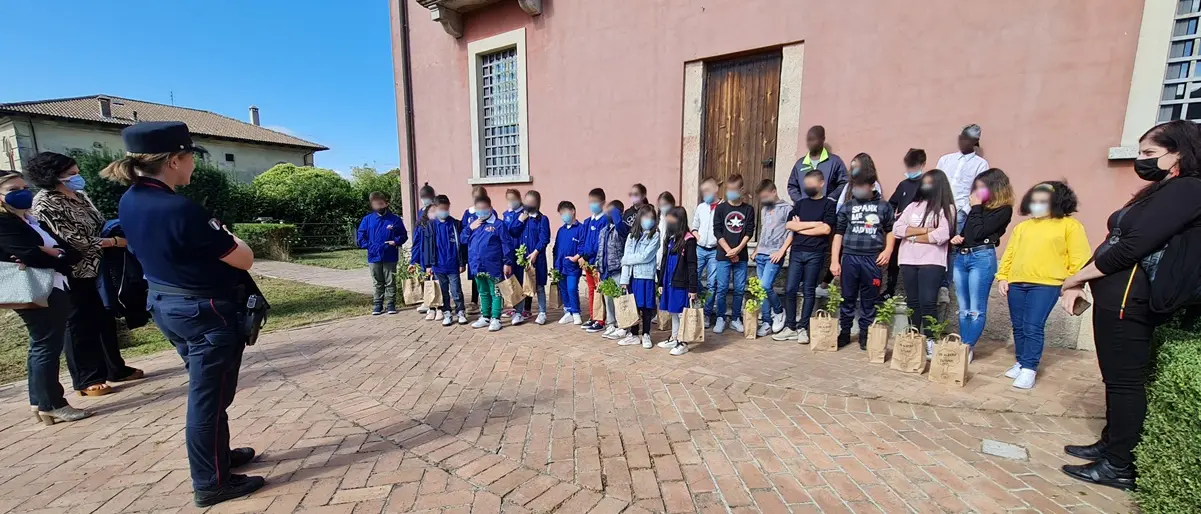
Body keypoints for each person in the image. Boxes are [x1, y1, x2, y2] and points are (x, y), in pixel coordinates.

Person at [103, 122, 263, 506]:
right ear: (174, 160)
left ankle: (218, 460)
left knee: (212, 391)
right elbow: (243, 258)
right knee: (208, 398)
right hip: (205, 311)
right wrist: (233, 236)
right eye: (191, 157)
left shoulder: (131, 200)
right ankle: (211, 482)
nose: (193, 164)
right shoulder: (180, 208)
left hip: (169, 304)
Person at [1058, 120, 1201, 489]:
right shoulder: (1162, 189)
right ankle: (1110, 445)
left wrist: (1076, 279)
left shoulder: (1188, 189)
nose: (1141, 161)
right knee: (1114, 377)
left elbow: (1134, 245)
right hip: (1113, 294)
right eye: (1139, 152)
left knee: (1125, 381)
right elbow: (1114, 238)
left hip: (1131, 298)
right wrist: (1082, 277)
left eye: (1150, 153)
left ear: (1179, 154)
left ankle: (1120, 465)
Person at [27, 152, 144, 397]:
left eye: (77, 172)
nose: (77, 177)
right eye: (71, 174)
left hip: (99, 267)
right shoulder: (45, 202)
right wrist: (112, 242)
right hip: (73, 269)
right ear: (52, 176)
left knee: (104, 317)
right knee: (79, 322)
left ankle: (115, 368)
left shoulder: (80, 196)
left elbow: (98, 222)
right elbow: (72, 239)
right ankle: (86, 378)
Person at [0, 170, 89, 424]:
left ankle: (38, 401)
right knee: (46, 345)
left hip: (53, 283)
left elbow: (71, 252)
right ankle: (52, 403)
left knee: (41, 344)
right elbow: (29, 255)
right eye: (13, 190)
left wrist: (53, 253)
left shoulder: (30, 221)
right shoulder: (4, 223)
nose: (22, 193)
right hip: (38, 288)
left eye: (23, 187)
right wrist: (50, 254)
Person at [995, 182, 1090, 389]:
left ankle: (1030, 368)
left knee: (1032, 326)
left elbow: (1079, 258)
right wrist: (1003, 276)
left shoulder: (1070, 226)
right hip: (1017, 282)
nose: (1036, 205)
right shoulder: (1022, 227)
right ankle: (1021, 362)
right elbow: (1009, 254)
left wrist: (1074, 284)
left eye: (1042, 201)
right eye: (1034, 201)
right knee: (1018, 327)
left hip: (1047, 284)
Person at [830, 155, 895, 350]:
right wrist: (835, 260)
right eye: (854, 186)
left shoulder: (884, 207)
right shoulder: (848, 207)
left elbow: (891, 230)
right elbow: (838, 234)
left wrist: (888, 250)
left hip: (872, 260)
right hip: (850, 257)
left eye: (861, 186)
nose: (857, 189)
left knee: (869, 299)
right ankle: (845, 331)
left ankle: (865, 334)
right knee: (847, 297)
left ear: (871, 186)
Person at [892, 169, 955, 357]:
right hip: (907, 260)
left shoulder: (947, 208)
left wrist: (912, 236)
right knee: (913, 302)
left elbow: (942, 235)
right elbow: (897, 229)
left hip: (932, 261)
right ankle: (915, 337)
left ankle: (930, 341)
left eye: (930, 182)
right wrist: (926, 230)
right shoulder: (913, 206)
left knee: (928, 302)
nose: (925, 185)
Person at [950, 169, 1014, 352]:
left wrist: (976, 207)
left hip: (981, 258)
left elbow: (979, 233)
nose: (977, 191)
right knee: (963, 308)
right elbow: (969, 233)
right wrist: (958, 238)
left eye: (981, 187)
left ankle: (965, 348)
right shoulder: (977, 210)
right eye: (975, 187)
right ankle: (964, 345)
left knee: (975, 308)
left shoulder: (1003, 210)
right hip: (963, 257)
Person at [774, 170, 836, 343]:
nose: (808, 187)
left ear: (821, 183)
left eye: (811, 184)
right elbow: (789, 225)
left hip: (816, 254)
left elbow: (826, 229)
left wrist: (801, 226)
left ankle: (802, 328)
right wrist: (814, 224)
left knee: (809, 290)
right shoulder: (800, 204)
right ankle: (790, 326)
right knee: (790, 289)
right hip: (797, 252)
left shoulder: (828, 205)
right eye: (806, 184)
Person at [936, 124, 990, 302]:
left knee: (953, 248)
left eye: (967, 139)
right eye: (961, 137)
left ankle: (945, 285)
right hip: (940, 208)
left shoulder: (981, 164)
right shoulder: (946, 160)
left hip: (961, 211)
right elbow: (937, 182)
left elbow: (981, 190)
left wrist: (965, 210)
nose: (963, 141)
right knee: (936, 243)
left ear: (975, 142)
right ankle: (934, 281)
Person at [712, 174, 756, 334]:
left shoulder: (748, 209)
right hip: (723, 255)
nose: (730, 192)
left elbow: (749, 231)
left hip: (741, 255)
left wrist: (737, 250)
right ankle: (721, 317)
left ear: (741, 190)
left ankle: (736, 318)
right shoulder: (721, 208)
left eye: (734, 190)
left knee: (739, 289)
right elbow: (717, 230)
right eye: (728, 190)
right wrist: (728, 250)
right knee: (722, 287)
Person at [461, 195, 511, 331]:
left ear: (490, 208)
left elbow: (506, 244)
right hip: (477, 265)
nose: (481, 213)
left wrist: (507, 262)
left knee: (495, 292)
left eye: (484, 209)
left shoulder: (498, 225)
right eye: (478, 210)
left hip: (493, 266)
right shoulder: (473, 224)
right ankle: (485, 316)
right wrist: (469, 228)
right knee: (482, 292)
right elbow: (463, 240)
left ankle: (496, 318)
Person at [357, 192, 408, 315]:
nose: (378, 207)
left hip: (389, 255)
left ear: (386, 203)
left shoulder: (394, 219)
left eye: (381, 204)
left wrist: (395, 242)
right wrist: (369, 246)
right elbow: (360, 236)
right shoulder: (367, 220)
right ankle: (378, 304)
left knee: (390, 280)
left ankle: (391, 304)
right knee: (377, 281)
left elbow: (403, 235)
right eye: (375, 205)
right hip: (374, 256)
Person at [618, 205, 662, 348]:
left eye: (651, 218)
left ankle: (646, 334)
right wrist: (624, 279)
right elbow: (627, 256)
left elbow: (646, 256)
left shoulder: (655, 235)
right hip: (632, 276)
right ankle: (634, 334)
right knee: (633, 306)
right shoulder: (632, 236)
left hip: (646, 276)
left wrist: (626, 259)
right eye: (645, 217)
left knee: (647, 307)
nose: (648, 220)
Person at [885, 148, 927, 298]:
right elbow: (891, 204)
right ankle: (890, 289)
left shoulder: (927, 184)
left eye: (913, 166)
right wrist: (894, 215)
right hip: (901, 229)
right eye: (908, 166)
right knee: (894, 260)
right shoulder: (903, 185)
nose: (910, 170)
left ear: (922, 165)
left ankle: (915, 293)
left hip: (918, 231)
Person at [657, 206, 699, 355]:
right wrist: (661, 282)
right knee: (673, 311)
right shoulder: (670, 238)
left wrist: (693, 288)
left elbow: (692, 265)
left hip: (682, 283)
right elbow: (664, 261)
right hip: (669, 281)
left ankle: (683, 342)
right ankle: (674, 338)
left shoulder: (689, 240)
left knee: (682, 313)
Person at [754, 180, 792, 336]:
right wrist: (757, 249)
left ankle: (779, 311)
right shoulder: (764, 210)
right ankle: (767, 322)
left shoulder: (787, 209)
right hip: (761, 254)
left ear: (774, 192)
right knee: (762, 291)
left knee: (765, 285)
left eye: (765, 196)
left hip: (774, 254)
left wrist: (782, 251)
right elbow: (764, 231)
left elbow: (791, 232)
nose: (763, 200)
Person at [509, 190, 551, 325]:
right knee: (521, 286)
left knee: (538, 286)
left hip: (536, 259)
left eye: (530, 203)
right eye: (526, 202)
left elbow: (544, 239)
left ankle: (542, 312)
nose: (527, 205)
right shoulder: (521, 217)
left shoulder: (542, 219)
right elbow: (512, 232)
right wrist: (520, 220)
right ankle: (519, 313)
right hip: (522, 259)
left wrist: (535, 252)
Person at [430, 195, 467, 326]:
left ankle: (461, 311)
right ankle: (447, 313)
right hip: (438, 266)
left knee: (456, 291)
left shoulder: (455, 224)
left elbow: (462, 246)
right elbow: (427, 246)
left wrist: (462, 263)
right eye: (441, 209)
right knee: (443, 292)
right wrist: (428, 264)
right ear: (435, 208)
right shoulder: (431, 226)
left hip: (453, 265)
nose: (444, 211)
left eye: (446, 208)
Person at [787, 125, 849, 202]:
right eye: (808, 140)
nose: (810, 143)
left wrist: (831, 198)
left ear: (823, 139)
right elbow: (792, 186)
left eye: (813, 140)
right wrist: (800, 202)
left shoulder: (834, 161)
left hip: (827, 209)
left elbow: (844, 182)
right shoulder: (800, 164)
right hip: (805, 210)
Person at [593, 200, 627, 336]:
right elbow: (600, 250)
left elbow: (619, 226)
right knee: (608, 299)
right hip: (605, 270)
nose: (608, 213)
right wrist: (598, 266)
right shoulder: (603, 230)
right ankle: (611, 323)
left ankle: (622, 324)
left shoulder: (622, 228)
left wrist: (616, 213)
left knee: (619, 299)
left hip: (617, 269)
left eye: (611, 211)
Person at [690, 177, 721, 326]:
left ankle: (707, 314)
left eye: (707, 190)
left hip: (715, 250)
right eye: (703, 191)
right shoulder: (701, 207)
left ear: (716, 189)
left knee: (712, 283)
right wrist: (698, 237)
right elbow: (694, 226)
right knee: (693, 277)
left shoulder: (723, 207)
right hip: (700, 248)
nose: (705, 194)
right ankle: (697, 304)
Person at [580, 188, 609, 331]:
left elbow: (599, 244)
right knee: (591, 290)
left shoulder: (604, 221)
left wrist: (588, 257)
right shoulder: (587, 221)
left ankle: (600, 319)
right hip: (587, 262)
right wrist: (582, 257)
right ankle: (592, 316)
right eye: (590, 202)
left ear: (602, 203)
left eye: (595, 202)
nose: (592, 205)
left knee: (599, 290)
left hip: (597, 262)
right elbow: (584, 241)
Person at [461, 185, 492, 314]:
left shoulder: (490, 212)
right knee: (476, 276)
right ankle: (474, 301)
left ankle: (490, 305)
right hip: (473, 251)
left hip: (487, 252)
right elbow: (463, 231)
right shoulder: (468, 213)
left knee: (489, 278)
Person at [554, 201, 586, 324]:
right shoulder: (561, 230)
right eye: (561, 214)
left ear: (572, 211)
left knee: (572, 288)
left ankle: (576, 312)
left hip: (573, 266)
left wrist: (576, 257)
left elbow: (582, 246)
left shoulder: (580, 228)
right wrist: (556, 264)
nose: (563, 216)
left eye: (565, 213)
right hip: (561, 265)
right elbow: (556, 248)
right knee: (563, 289)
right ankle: (568, 311)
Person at [411, 201, 439, 320]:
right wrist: (413, 261)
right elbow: (416, 245)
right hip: (425, 260)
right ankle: (431, 308)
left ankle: (441, 308)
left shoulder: (440, 225)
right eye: (431, 212)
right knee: (428, 284)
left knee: (438, 284)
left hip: (439, 260)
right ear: (426, 213)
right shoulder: (421, 227)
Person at [499, 188, 524, 319]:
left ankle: (520, 310)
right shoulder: (506, 214)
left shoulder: (524, 213)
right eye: (509, 199)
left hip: (519, 250)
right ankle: (513, 308)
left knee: (519, 281)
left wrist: (519, 221)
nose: (511, 202)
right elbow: (505, 231)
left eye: (513, 199)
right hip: (508, 251)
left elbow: (514, 231)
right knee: (509, 279)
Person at [656, 191, 677, 267]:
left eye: (665, 205)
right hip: (658, 258)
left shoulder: (676, 219)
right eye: (661, 205)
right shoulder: (657, 220)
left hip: (670, 256)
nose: (663, 207)